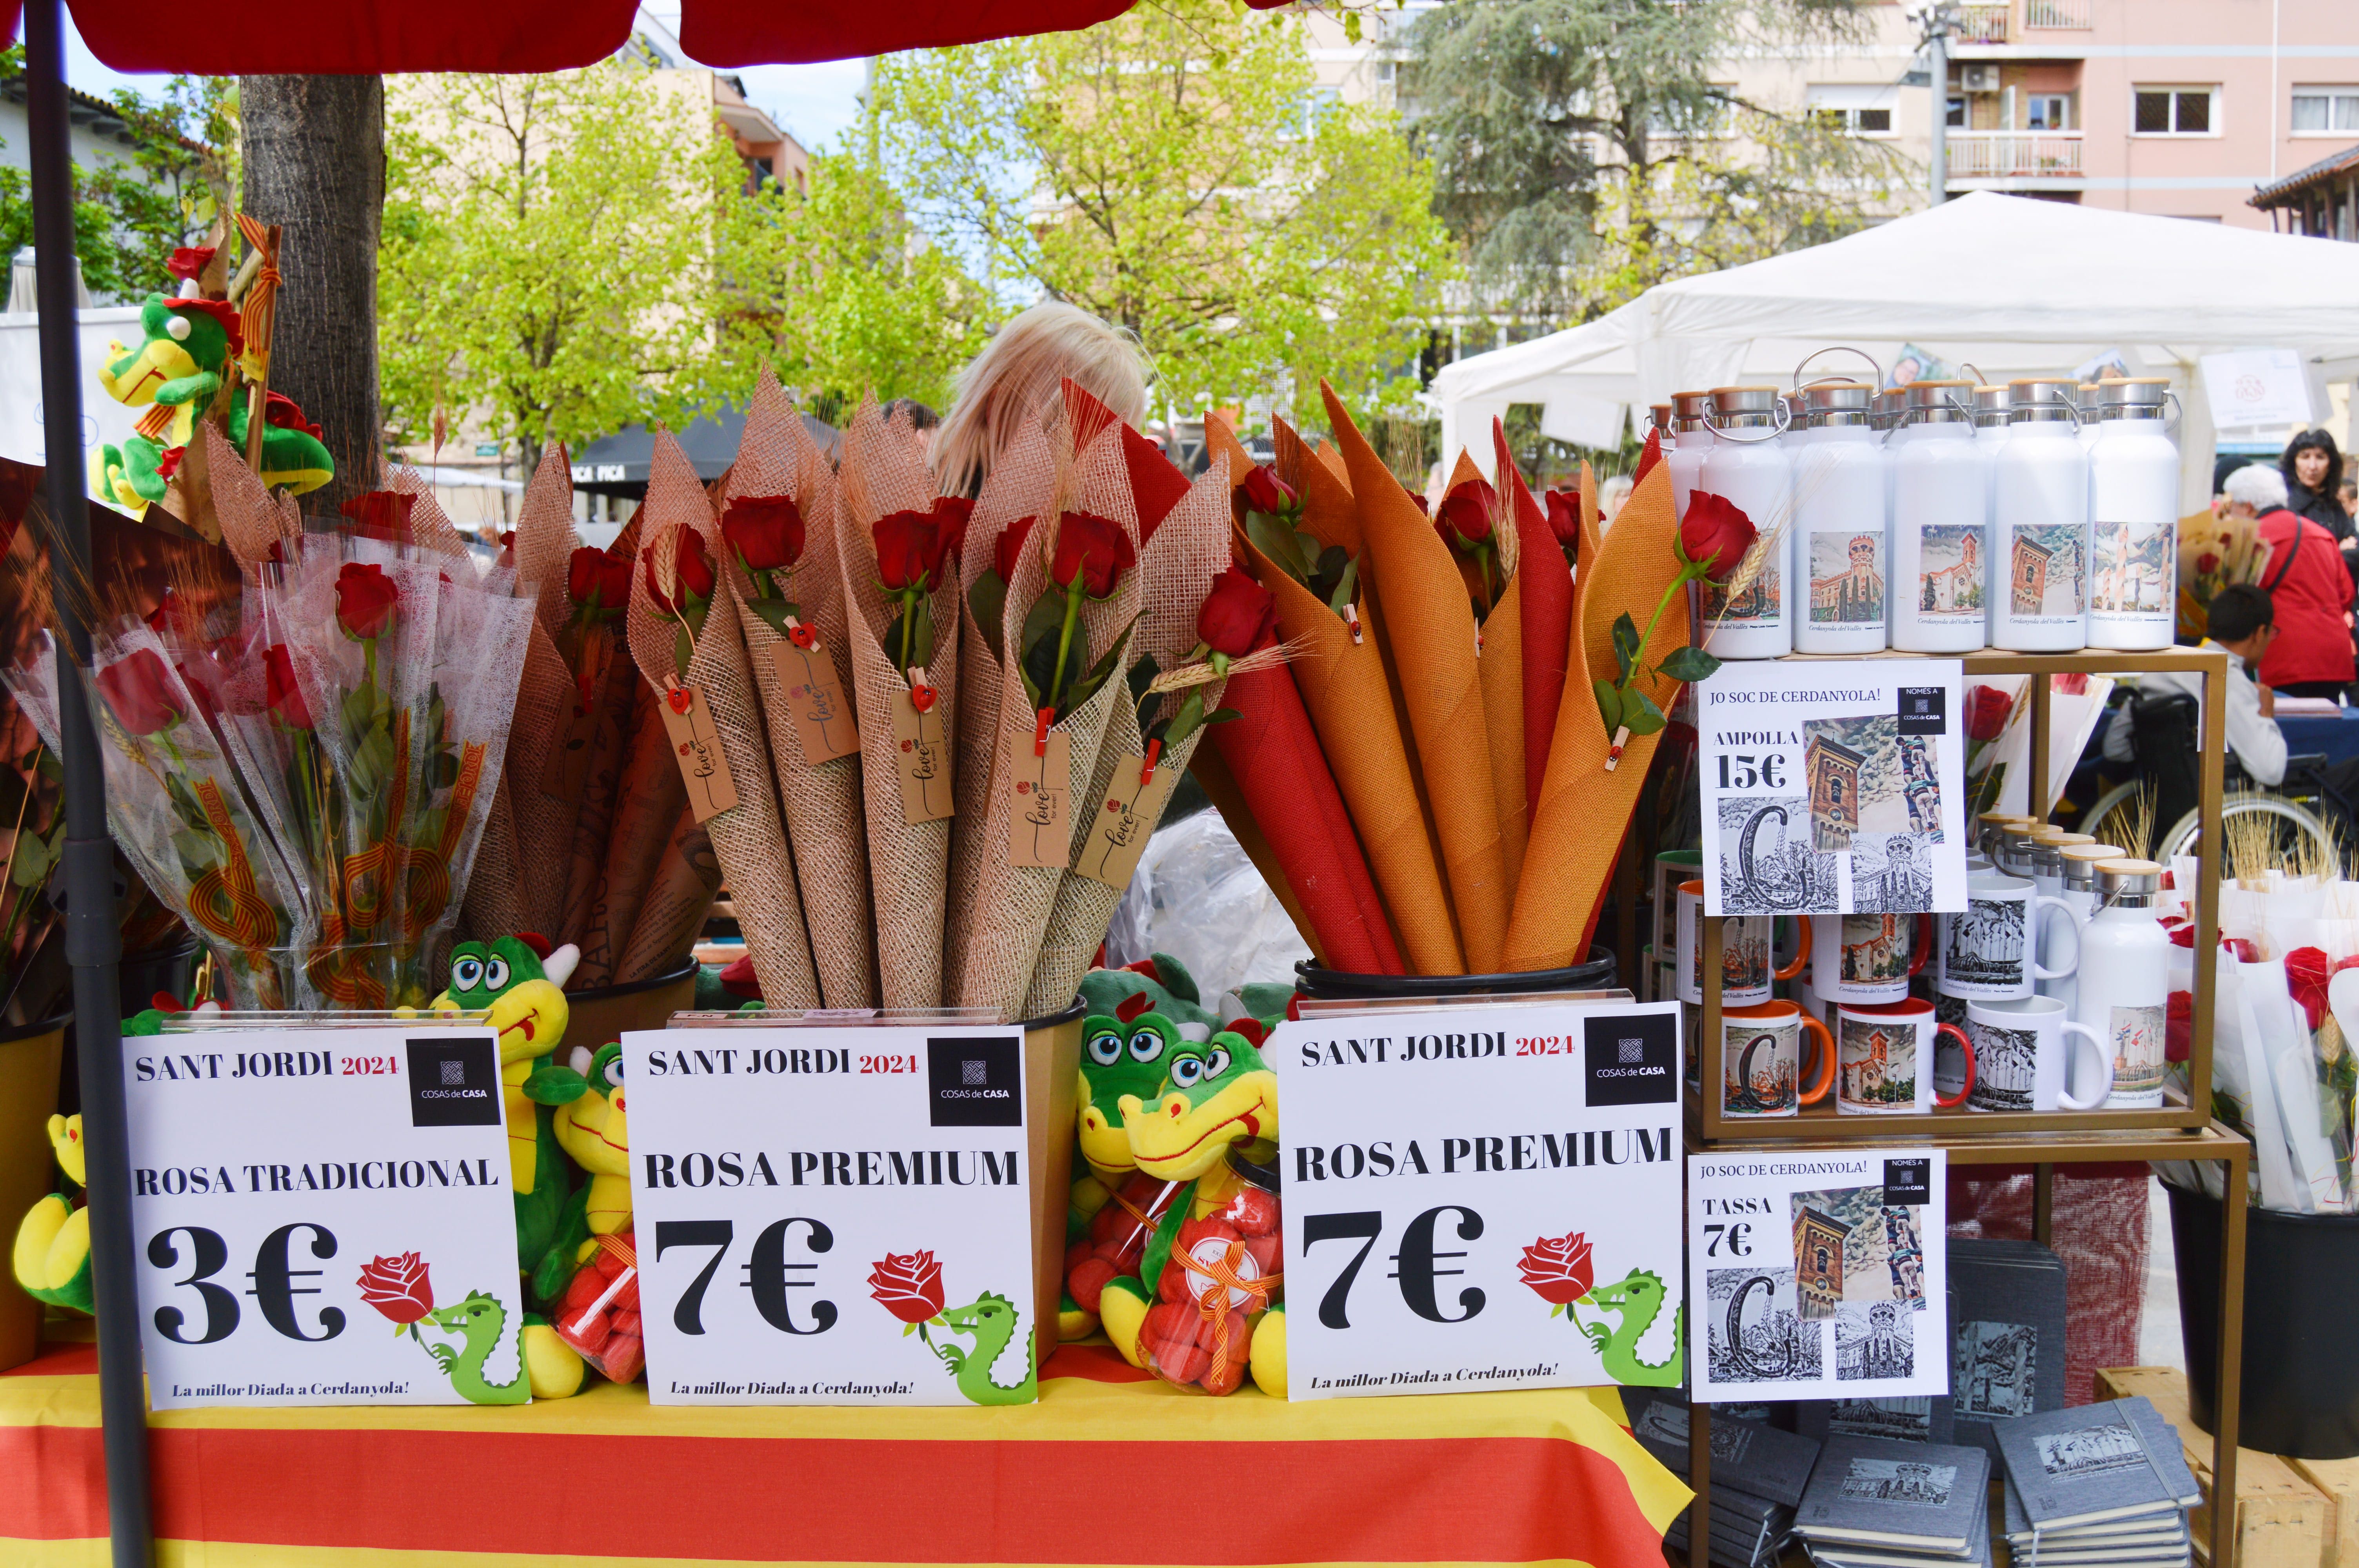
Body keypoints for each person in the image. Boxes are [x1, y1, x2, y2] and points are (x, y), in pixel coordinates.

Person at [931, 302, 1152, 498]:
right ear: (998, 413)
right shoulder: (927, 527)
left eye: (1113, 450)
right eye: (1071, 440)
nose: (1097, 471)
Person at [2104, 581, 2287, 790]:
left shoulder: (2159, 673)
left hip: (2163, 803)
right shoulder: (2227, 681)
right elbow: (2271, 771)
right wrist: (2266, 714)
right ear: (2259, 632)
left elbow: (2115, 749)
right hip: (2218, 806)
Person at [2219, 463, 2354, 700]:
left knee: (2285, 732)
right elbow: (2346, 594)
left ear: (2248, 507)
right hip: (2331, 656)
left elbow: (2240, 601)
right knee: (2323, 732)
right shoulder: (2322, 535)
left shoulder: (2252, 539)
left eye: (2233, 507)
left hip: (2282, 656)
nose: (2231, 514)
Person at [2282, 428, 2350, 541]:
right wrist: (2338, 551)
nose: (2313, 466)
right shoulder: (2284, 503)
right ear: (2294, 462)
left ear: (2330, 465)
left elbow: (2356, 546)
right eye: (2305, 457)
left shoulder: (2333, 504)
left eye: (2320, 457)